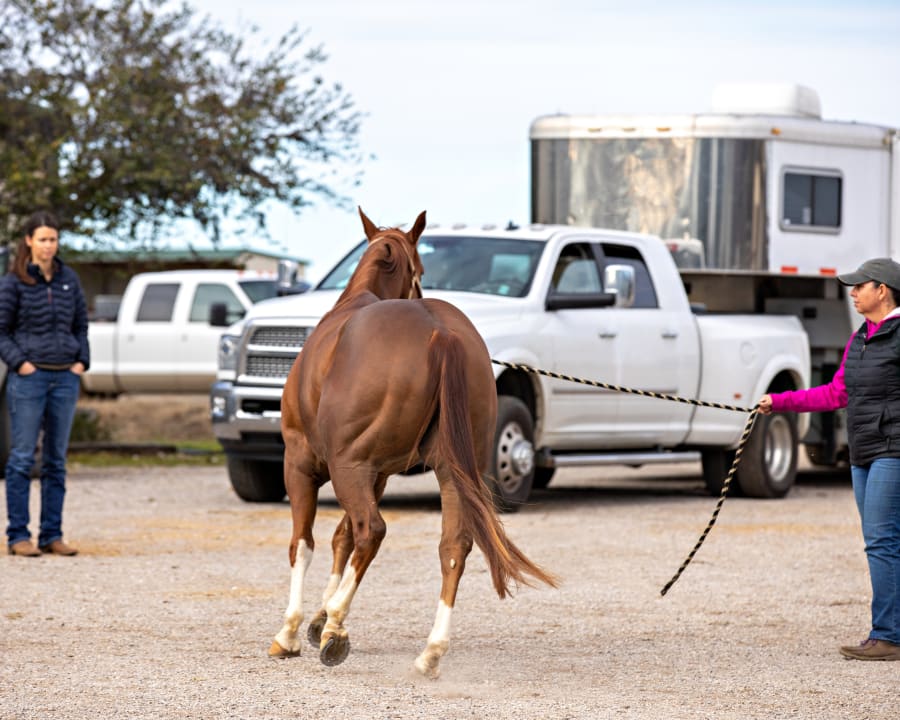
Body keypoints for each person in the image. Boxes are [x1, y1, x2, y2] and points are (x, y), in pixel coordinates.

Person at [759, 257, 900, 661]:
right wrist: (780, 402)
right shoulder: (860, 338)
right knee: (888, 542)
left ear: (883, 290)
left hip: (893, 449)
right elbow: (836, 393)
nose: (853, 293)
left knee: (881, 542)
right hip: (863, 452)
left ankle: (888, 635)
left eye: (860, 286)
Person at [0, 211, 90, 557]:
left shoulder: (70, 280)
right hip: (30, 378)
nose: (48, 246)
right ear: (29, 242)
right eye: (42, 240)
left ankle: (52, 534)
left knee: (56, 460)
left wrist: (82, 361)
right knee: (22, 458)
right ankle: (18, 536)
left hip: (65, 377)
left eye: (53, 239)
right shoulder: (14, 282)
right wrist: (21, 364)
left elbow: (81, 324)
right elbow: (2, 331)